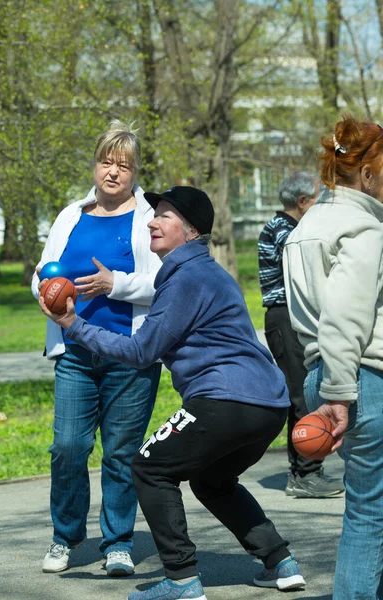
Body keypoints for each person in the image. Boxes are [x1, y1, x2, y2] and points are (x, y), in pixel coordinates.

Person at [40, 185, 306, 600]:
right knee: (213, 480)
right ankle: (280, 562)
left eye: (164, 215)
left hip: (225, 399)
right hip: (267, 404)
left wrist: (74, 326)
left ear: (192, 231)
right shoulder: (208, 273)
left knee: (148, 467)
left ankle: (182, 580)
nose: (152, 221)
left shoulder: (187, 279)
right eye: (154, 214)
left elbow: (141, 351)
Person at [31, 119, 162, 576]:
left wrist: (115, 283)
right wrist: (46, 292)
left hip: (129, 354)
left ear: (135, 171)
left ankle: (119, 543)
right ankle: (64, 537)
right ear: (94, 164)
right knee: (67, 447)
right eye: (106, 161)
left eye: (123, 165)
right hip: (75, 353)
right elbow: (42, 271)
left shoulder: (150, 218)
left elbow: (165, 282)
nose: (113, 172)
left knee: (121, 452)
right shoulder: (72, 214)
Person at [283, 114, 383, 600]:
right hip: (361, 378)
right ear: (366, 172)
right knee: (369, 513)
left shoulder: (304, 227)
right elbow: (344, 318)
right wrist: (341, 395)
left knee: (366, 508)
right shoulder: (364, 228)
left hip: (322, 371)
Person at [258, 172, 345, 498]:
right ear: (303, 202)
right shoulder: (284, 231)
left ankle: (309, 469)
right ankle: (304, 475)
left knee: (309, 391)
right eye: (319, 196)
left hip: (297, 317)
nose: (323, 201)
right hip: (284, 318)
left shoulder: (291, 228)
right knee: (302, 395)